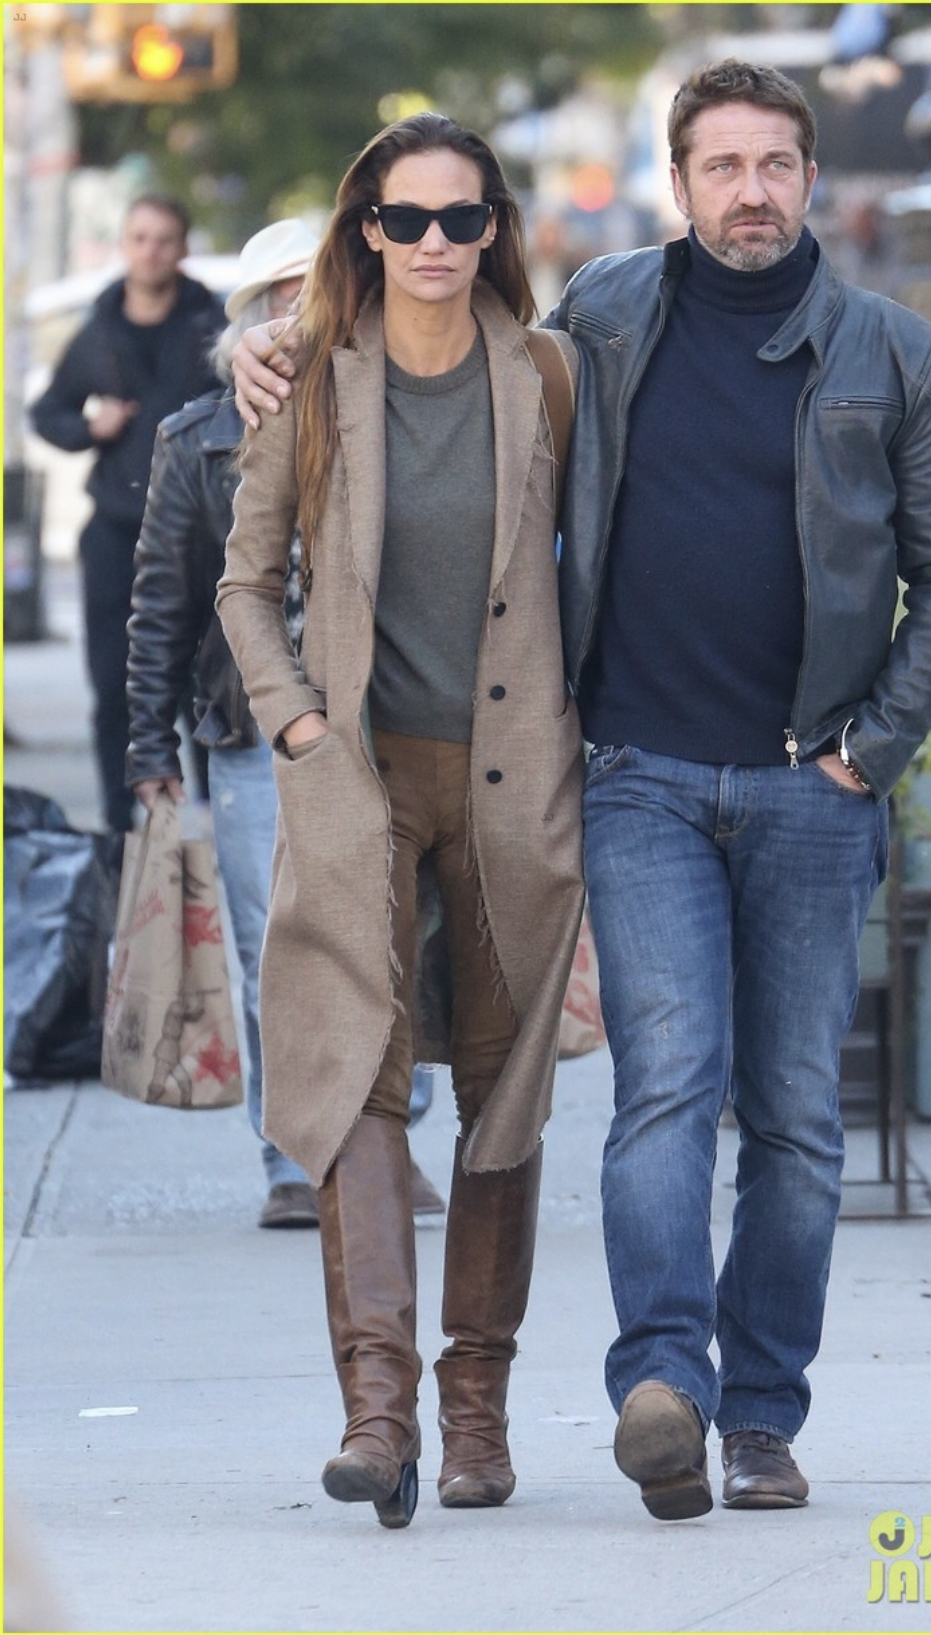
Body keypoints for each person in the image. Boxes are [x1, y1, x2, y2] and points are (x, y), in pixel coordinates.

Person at [229, 63, 931, 1523]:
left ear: (811, 176)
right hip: (636, 774)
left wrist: (867, 751)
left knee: (793, 1121)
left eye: (775, 164)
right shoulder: (610, 314)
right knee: (663, 1091)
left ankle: (756, 1416)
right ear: (678, 182)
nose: (751, 191)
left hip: (804, 784)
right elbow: (388, 366)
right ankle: (660, 1390)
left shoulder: (890, 356)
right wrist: (272, 345)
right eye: (722, 166)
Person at [215, 113, 584, 1529]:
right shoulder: (312, 378)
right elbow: (247, 582)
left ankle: (476, 1410)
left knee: (500, 1087)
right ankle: (378, 1414)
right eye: (407, 218)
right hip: (356, 780)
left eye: (462, 217)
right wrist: (297, 724)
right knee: (353, 1074)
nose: (435, 242)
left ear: (495, 230)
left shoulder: (545, 375)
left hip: (510, 780)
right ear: (364, 229)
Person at [125, 220, 323, 1231]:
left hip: (387, 725)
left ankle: (379, 1133)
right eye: (280, 292)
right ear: (249, 316)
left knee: (398, 944)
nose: (299, 308)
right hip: (252, 734)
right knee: (273, 950)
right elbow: (162, 601)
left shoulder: (395, 407)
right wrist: (147, 742)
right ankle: (292, 1158)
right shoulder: (196, 438)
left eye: (315, 286)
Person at [31, 195, 225, 837]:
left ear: (182, 248)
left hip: (200, 533)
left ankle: (213, 817)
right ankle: (119, 827)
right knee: (113, 680)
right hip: (116, 532)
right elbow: (48, 413)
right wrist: (91, 426)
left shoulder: (211, 326)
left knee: (202, 681)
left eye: (164, 239)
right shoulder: (99, 329)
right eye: (139, 238)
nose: (151, 251)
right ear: (123, 245)